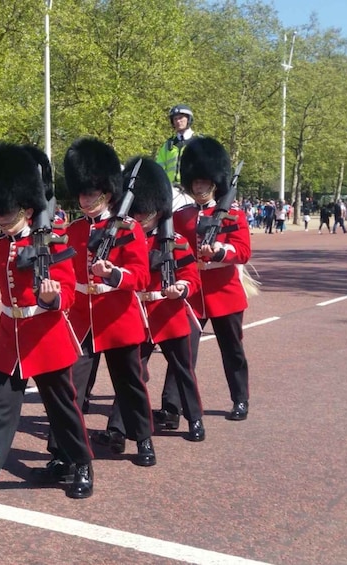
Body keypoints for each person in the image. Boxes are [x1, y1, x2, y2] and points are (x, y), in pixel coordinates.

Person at [0, 140, 96, 509]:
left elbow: (69, 294)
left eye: (6, 213)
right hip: (10, 339)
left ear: (27, 207)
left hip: (47, 335)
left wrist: (52, 297)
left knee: (62, 408)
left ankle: (82, 463)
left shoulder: (55, 242)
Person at [59, 139, 154, 467]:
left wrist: (114, 275)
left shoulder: (128, 229)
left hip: (117, 316)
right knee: (70, 386)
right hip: (82, 319)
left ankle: (142, 438)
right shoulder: (73, 231)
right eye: (82, 194)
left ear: (108, 193)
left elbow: (141, 277)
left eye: (91, 194)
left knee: (129, 384)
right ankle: (64, 451)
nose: (85, 200)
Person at [125, 157, 206, 442]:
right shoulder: (127, 239)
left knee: (183, 371)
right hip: (138, 313)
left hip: (169, 312)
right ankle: (121, 426)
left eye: (144, 214)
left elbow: (192, 277)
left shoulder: (176, 242)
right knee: (132, 373)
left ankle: (195, 419)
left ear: (158, 212)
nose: (139, 219)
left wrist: (182, 287)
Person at [172, 137, 253, 421]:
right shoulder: (181, 217)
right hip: (192, 294)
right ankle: (173, 405)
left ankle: (240, 399)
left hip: (224, 292)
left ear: (215, 184)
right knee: (182, 351)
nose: (199, 187)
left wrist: (220, 252)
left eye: (205, 183)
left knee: (232, 351)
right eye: (195, 183)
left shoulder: (233, 215)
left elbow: (242, 251)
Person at [156, 104, 199, 211]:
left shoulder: (198, 143)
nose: (178, 121)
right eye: (175, 119)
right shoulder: (168, 145)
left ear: (188, 119)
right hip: (170, 190)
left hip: (192, 190)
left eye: (181, 118)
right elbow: (159, 168)